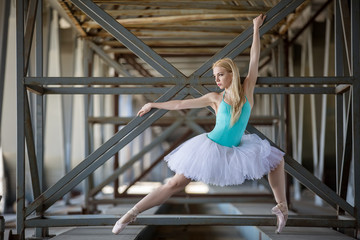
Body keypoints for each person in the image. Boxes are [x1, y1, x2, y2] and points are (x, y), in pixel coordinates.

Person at [112, 14, 288, 235]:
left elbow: (254, 58)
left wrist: (255, 28)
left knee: (276, 160)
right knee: (174, 185)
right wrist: (153, 104)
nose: (216, 80)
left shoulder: (247, 91)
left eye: (220, 75)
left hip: (236, 150)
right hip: (209, 148)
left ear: (232, 74)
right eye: (215, 76)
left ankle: (282, 207)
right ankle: (131, 213)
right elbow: (181, 104)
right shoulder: (215, 98)